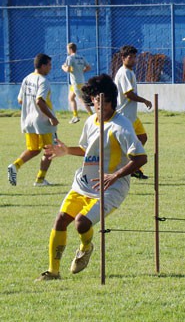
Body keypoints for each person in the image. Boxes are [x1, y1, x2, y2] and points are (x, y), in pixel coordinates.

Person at [35, 74, 147, 281]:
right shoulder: (90, 121)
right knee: (60, 220)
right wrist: (67, 151)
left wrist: (115, 175)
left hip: (111, 188)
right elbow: (86, 149)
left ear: (113, 101)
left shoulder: (121, 126)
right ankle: (53, 271)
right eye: (96, 100)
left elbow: (141, 158)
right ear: (92, 100)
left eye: (105, 101)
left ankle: (86, 248)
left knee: (81, 223)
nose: (100, 105)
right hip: (83, 184)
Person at [7, 53, 58, 187]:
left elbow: (20, 100)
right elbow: (40, 100)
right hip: (42, 122)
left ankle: (15, 166)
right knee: (49, 150)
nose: (50, 68)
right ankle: (40, 180)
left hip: (28, 120)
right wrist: (52, 117)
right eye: (49, 65)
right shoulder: (43, 81)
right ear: (43, 66)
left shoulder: (27, 79)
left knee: (34, 149)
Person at [114, 45, 152, 179]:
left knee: (142, 138)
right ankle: (130, 167)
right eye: (130, 57)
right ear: (123, 58)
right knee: (128, 144)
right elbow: (128, 94)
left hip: (132, 116)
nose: (133, 60)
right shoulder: (124, 72)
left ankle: (134, 167)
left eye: (135, 57)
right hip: (124, 116)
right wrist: (144, 100)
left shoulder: (130, 72)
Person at [61, 42, 92, 123]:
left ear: (70, 49)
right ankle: (75, 116)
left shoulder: (70, 58)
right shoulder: (81, 57)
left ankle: (92, 115)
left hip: (76, 83)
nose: (67, 51)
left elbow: (67, 69)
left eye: (67, 49)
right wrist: (81, 71)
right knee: (71, 98)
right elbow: (88, 67)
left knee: (82, 100)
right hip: (80, 81)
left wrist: (63, 67)